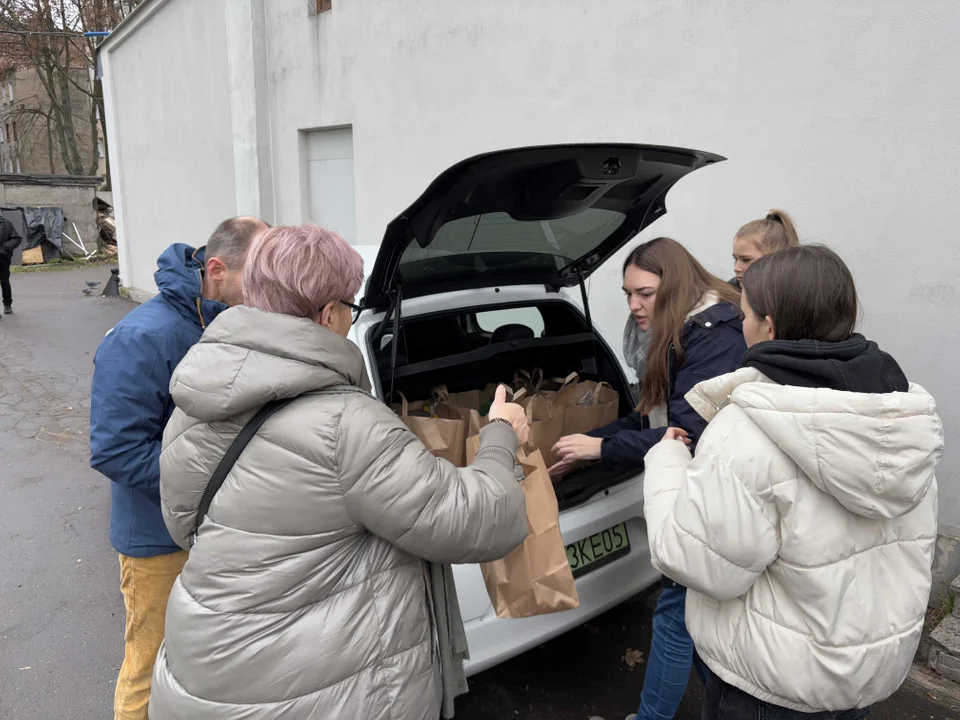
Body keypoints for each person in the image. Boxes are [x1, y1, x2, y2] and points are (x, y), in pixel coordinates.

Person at [148, 224, 531, 720]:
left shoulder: (196, 399)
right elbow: (472, 519)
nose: (350, 318)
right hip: (315, 696)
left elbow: (184, 524)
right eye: (349, 306)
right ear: (329, 314)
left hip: (201, 670)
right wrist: (501, 435)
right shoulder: (346, 423)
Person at [643, 245, 941, 719]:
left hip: (772, 687)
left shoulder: (748, 429)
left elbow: (701, 565)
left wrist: (665, 461)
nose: (740, 327)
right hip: (867, 675)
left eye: (743, 314)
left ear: (771, 325)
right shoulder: (902, 415)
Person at [550, 237, 747, 720]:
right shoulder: (682, 328)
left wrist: (602, 448)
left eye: (645, 293)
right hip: (696, 489)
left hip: (712, 491)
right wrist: (590, 448)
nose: (635, 306)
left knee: (675, 613)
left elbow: (684, 435)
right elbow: (654, 419)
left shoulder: (711, 336)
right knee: (689, 616)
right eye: (627, 294)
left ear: (674, 285)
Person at [89, 216, 269, 720]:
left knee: (209, 668)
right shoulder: (140, 337)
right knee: (152, 666)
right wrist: (209, 491)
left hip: (218, 534)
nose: (264, 291)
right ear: (216, 268)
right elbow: (116, 450)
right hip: (158, 543)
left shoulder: (228, 323)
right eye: (257, 276)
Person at [730, 208, 799, 288]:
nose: (736, 268)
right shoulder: (729, 294)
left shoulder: (799, 294)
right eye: (735, 259)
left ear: (775, 259)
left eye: (746, 260)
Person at [0, 214, 23, 316]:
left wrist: (4, 248)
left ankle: (7, 304)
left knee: (4, 281)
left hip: (3, 258)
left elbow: (16, 238)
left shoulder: (6, 224)